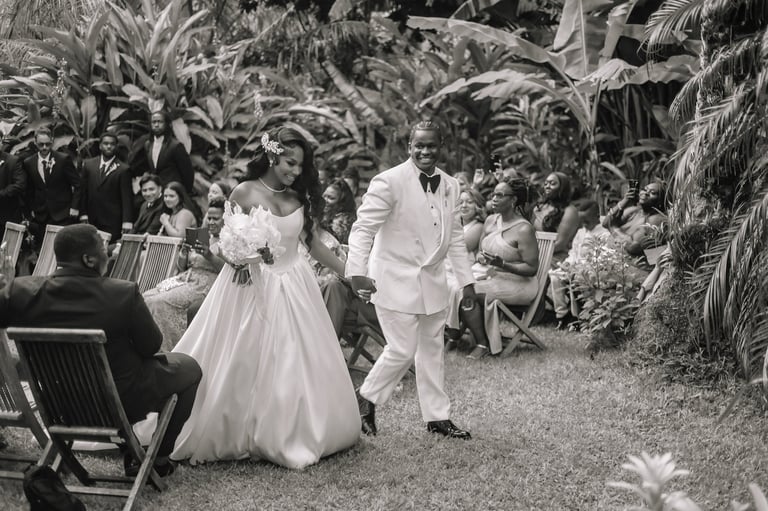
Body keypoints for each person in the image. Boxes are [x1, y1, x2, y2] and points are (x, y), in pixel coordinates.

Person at [170, 126, 360, 469]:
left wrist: (351, 273)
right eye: (290, 162)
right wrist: (238, 257)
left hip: (294, 285)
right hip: (247, 285)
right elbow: (227, 242)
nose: (295, 171)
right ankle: (235, 425)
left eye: (301, 166)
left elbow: (313, 244)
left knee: (291, 358)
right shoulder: (242, 193)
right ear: (272, 155)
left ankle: (293, 429)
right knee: (240, 356)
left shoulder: (297, 198)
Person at [0, 224, 202, 477]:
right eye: (104, 249)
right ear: (89, 259)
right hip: (119, 403)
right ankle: (157, 459)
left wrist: (4, 290)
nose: (108, 253)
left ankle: (135, 452)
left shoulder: (22, 292)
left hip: (59, 404)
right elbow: (150, 346)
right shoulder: (122, 293)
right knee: (189, 368)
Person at [346, 120, 476, 440]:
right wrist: (357, 272)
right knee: (402, 349)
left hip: (433, 281)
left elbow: (455, 238)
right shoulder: (388, 182)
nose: (425, 151)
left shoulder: (451, 185)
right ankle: (366, 398)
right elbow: (363, 230)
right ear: (409, 147)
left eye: (431, 145)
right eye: (419, 145)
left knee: (432, 350)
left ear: (440, 146)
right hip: (392, 279)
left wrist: (466, 281)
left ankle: (437, 418)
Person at [458, 177, 539, 359]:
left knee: (467, 292)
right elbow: (480, 251)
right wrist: (481, 257)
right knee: (458, 285)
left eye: (500, 195)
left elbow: (531, 268)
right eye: (493, 194)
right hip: (492, 275)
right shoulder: (491, 221)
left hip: (520, 284)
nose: (493, 199)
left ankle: (481, 343)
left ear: (513, 200)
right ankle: (455, 335)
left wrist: (502, 264)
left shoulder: (524, 229)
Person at [144, 197, 226, 350]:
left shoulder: (227, 241)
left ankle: (169, 349)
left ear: (225, 219)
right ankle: (148, 347)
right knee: (146, 297)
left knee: (158, 302)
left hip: (205, 284)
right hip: (186, 278)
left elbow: (227, 270)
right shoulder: (202, 236)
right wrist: (183, 253)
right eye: (209, 217)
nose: (211, 221)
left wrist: (209, 255)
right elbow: (182, 267)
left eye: (216, 218)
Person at [549, 199, 610, 330]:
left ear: (596, 217)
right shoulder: (581, 232)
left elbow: (602, 259)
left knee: (574, 278)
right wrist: (567, 263)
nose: (583, 224)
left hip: (593, 271)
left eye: (586, 220)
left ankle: (577, 317)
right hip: (575, 268)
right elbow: (573, 253)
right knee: (554, 276)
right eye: (581, 221)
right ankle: (562, 315)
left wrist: (579, 268)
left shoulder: (604, 233)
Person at [22, 128, 80, 247]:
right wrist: (32, 210)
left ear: (52, 141)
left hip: (63, 214)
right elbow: (29, 190)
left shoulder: (63, 159)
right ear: (35, 142)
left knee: (63, 248)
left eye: (47, 144)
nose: (44, 147)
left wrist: (74, 207)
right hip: (41, 216)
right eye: (41, 144)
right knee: (45, 249)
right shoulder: (29, 162)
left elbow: (78, 185)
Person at [79, 132, 134, 243]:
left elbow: (127, 198)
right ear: (100, 146)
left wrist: (127, 221)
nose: (109, 146)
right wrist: (83, 214)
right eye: (106, 143)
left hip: (112, 220)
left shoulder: (123, 169)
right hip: (92, 218)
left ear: (116, 146)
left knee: (108, 250)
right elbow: (83, 192)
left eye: (112, 144)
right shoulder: (89, 165)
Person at [602, 179, 667, 264]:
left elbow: (633, 247)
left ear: (660, 201)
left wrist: (614, 228)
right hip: (618, 263)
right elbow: (606, 223)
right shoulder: (634, 211)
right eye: (644, 189)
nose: (646, 193)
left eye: (653, 193)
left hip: (636, 270)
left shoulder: (656, 219)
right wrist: (625, 201)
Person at [131, 110, 195, 195]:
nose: (156, 125)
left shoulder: (175, 146)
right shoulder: (148, 145)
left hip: (173, 193)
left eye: (160, 122)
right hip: (156, 193)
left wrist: (184, 193)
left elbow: (188, 173)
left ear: (167, 124)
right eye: (154, 122)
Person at [532, 172, 579, 264]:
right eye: (545, 184)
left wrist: (532, 254)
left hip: (555, 259)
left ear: (563, 187)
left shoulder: (570, 211)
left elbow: (560, 244)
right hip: (535, 254)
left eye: (552, 183)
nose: (547, 186)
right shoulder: (539, 208)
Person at [0, 130, 25, 228]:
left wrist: (1, 193)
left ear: (1, 142)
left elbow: (20, 185)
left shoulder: (12, 161)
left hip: (6, 216)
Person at [321, 178, 357, 244]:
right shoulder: (321, 214)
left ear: (341, 203)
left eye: (331, 198)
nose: (325, 200)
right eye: (324, 196)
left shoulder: (343, 221)